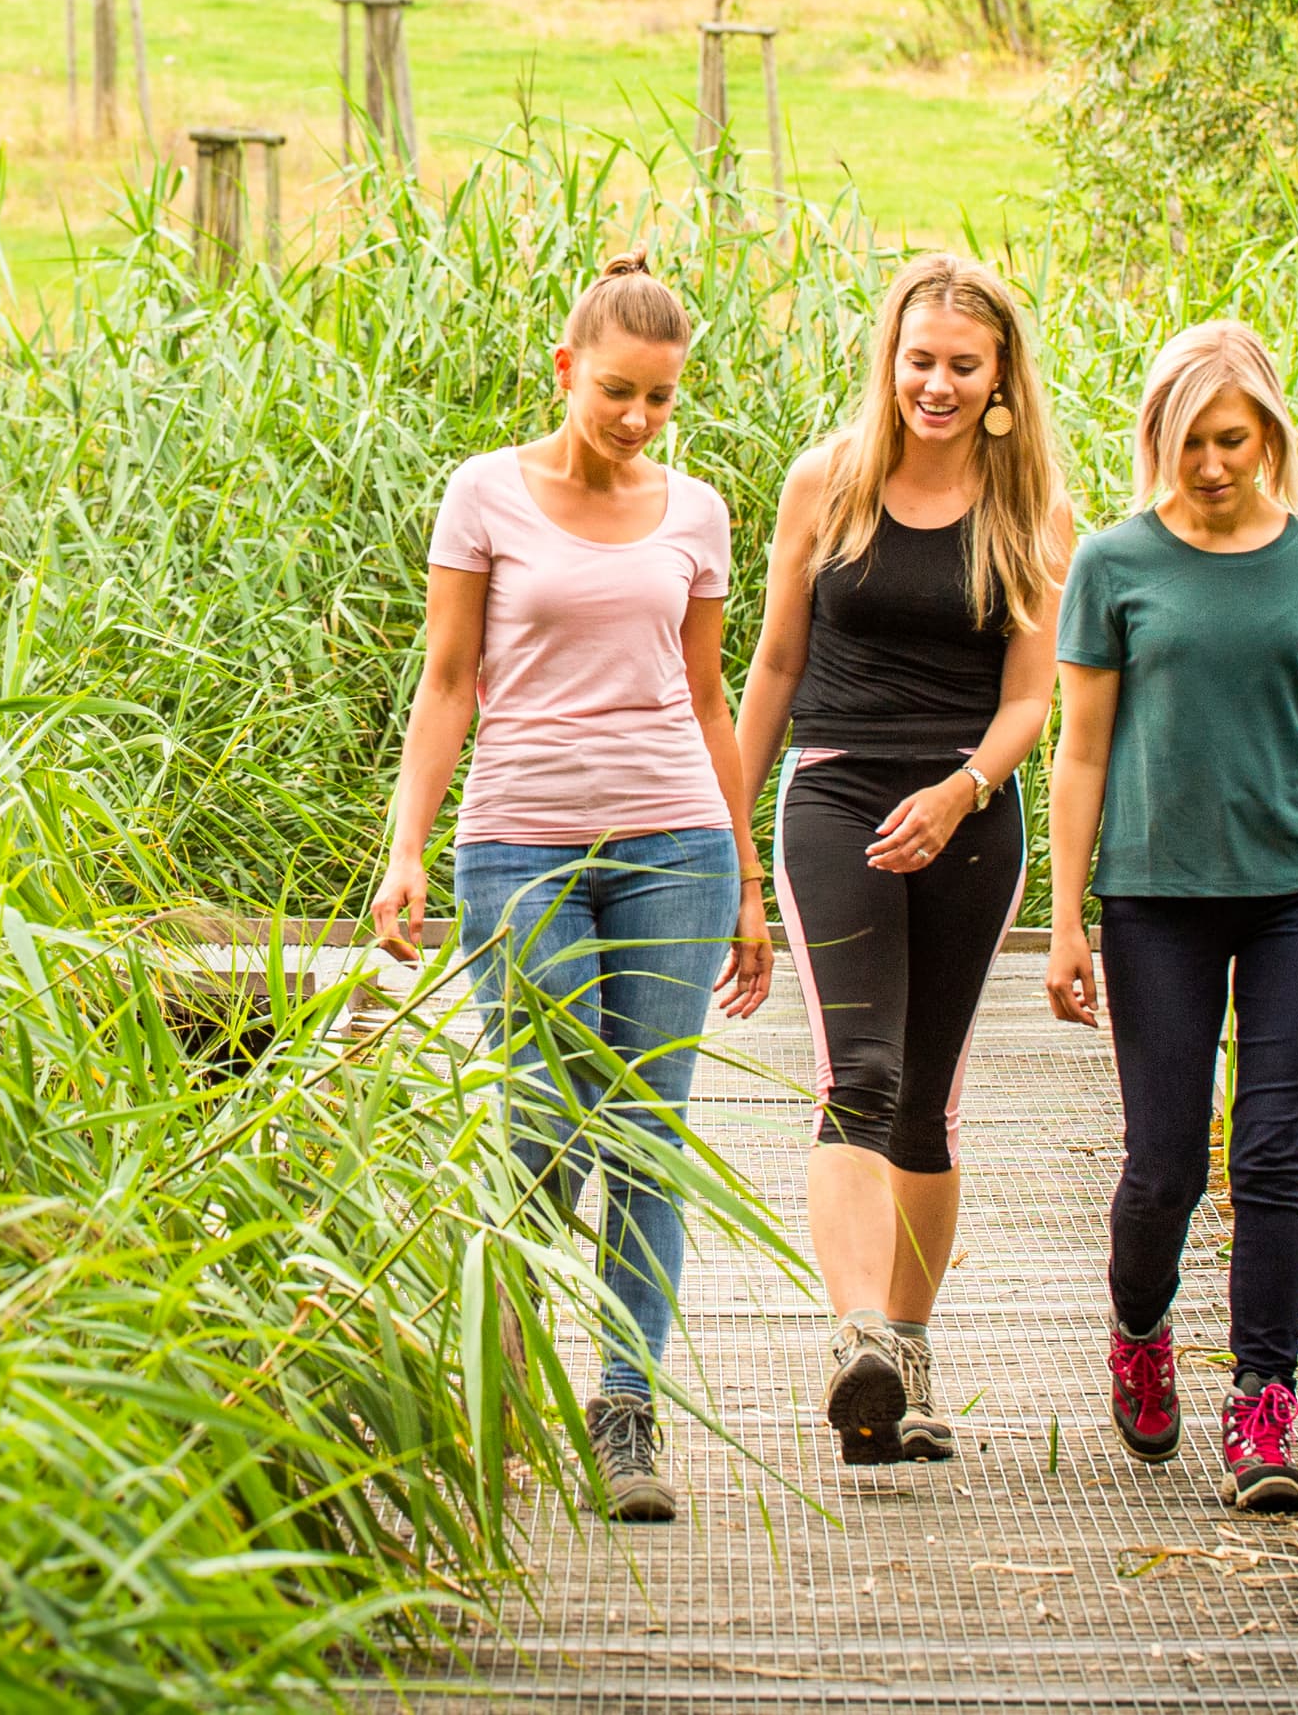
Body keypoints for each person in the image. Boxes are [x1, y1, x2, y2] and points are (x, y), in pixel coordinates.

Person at [369, 252, 775, 1526]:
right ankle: (511, 1362)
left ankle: (627, 1404)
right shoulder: (485, 495)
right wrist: (404, 847)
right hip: (519, 846)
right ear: (564, 370)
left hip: (679, 848)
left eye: (661, 398)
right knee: (545, 1113)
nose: (640, 420)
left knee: (648, 1132)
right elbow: (447, 684)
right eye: (617, 393)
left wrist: (751, 880)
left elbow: (709, 699)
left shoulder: (699, 512)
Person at [1045, 320, 1298, 1514]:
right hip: (1157, 896)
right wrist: (1065, 920)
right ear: (1157, 438)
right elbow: (1080, 754)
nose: (1212, 464)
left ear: (1269, 434)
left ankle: (1264, 1407)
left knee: (1269, 1157)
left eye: (1233, 439)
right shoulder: (1114, 563)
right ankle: (1140, 1329)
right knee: (1164, 1164)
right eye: (1189, 441)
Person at [735, 254, 1072, 1467]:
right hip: (834, 794)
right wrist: (731, 848)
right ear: (890, 359)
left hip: (971, 812)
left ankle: (909, 1360)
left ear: (998, 382)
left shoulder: (1030, 510)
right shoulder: (826, 482)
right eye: (918, 359)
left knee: (928, 1101)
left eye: (961, 366)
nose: (935, 382)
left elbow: (1033, 699)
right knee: (859, 1076)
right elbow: (772, 669)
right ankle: (858, 1337)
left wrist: (963, 788)